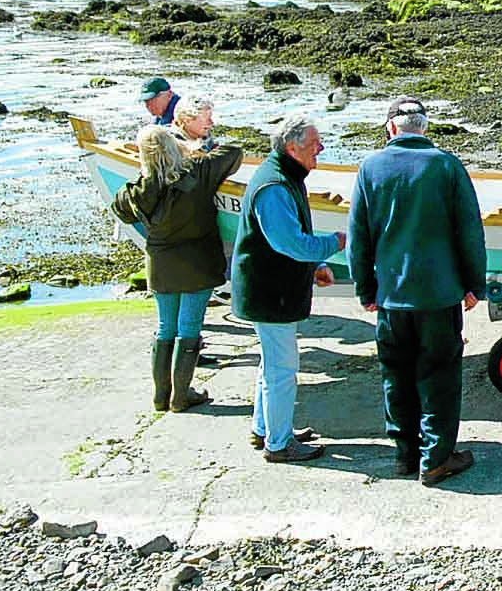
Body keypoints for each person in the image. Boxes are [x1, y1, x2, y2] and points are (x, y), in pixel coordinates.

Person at [348, 98, 487, 487]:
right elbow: (470, 231)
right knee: (439, 376)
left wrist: (365, 288)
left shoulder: (370, 168)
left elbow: (358, 237)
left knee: (396, 374)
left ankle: (404, 452)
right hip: (439, 295)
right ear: (423, 127)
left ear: (391, 128)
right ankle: (436, 457)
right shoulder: (446, 165)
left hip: (392, 294)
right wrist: (474, 283)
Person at [230, 114, 345, 463]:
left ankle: (266, 429)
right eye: (314, 144)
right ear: (292, 148)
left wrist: (316, 266)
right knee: (282, 367)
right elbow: (291, 244)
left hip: (269, 287)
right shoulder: (276, 186)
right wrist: (333, 244)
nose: (321, 148)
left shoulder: (282, 177)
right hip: (270, 291)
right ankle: (278, 444)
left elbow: (290, 239)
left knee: (272, 364)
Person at [111, 126, 243, 412]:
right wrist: (191, 149)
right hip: (198, 262)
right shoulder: (198, 171)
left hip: (161, 264)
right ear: (174, 147)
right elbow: (234, 153)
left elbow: (119, 208)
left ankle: (162, 395)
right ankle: (181, 395)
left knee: (165, 327)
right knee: (189, 327)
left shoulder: (137, 190)